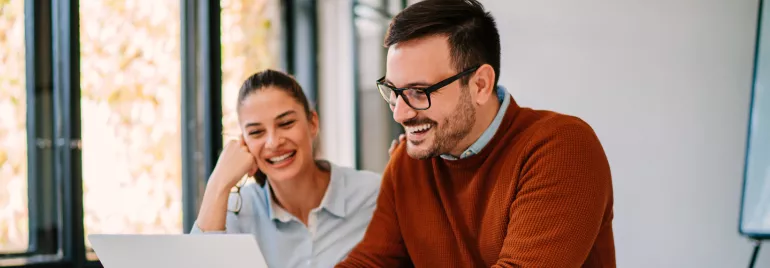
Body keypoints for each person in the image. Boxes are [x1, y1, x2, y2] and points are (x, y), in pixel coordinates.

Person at [337, 0, 615, 267]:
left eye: (419, 92)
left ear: (480, 85)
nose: (400, 113)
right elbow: (371, 262)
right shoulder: (409, 161)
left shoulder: (562, 147)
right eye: (394, 92)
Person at [190, 69, 382, 268]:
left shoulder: (373, 194)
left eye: (286, 123)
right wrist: (218, 183)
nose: (273, 142)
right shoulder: (238, 211)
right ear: (244, 143)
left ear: (312, 123)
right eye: (256, 132)